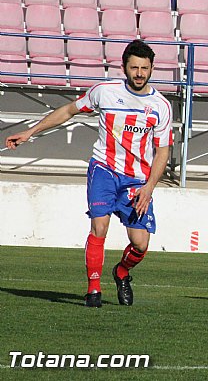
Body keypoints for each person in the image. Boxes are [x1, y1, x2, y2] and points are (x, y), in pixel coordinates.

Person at [5, 39, 173, 308]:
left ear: (152, 68)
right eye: (134, 68)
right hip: (104, 169)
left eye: (144, 68)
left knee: (140, 244)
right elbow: (69, 111)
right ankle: (93, 290)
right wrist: (30, 132)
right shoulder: (104, 92)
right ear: (124, 68)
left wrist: (149, 187)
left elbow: (162, 151)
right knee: (99, 226)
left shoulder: (161, 106)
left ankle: (121, 272)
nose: (139, 73)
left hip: (138, 179)